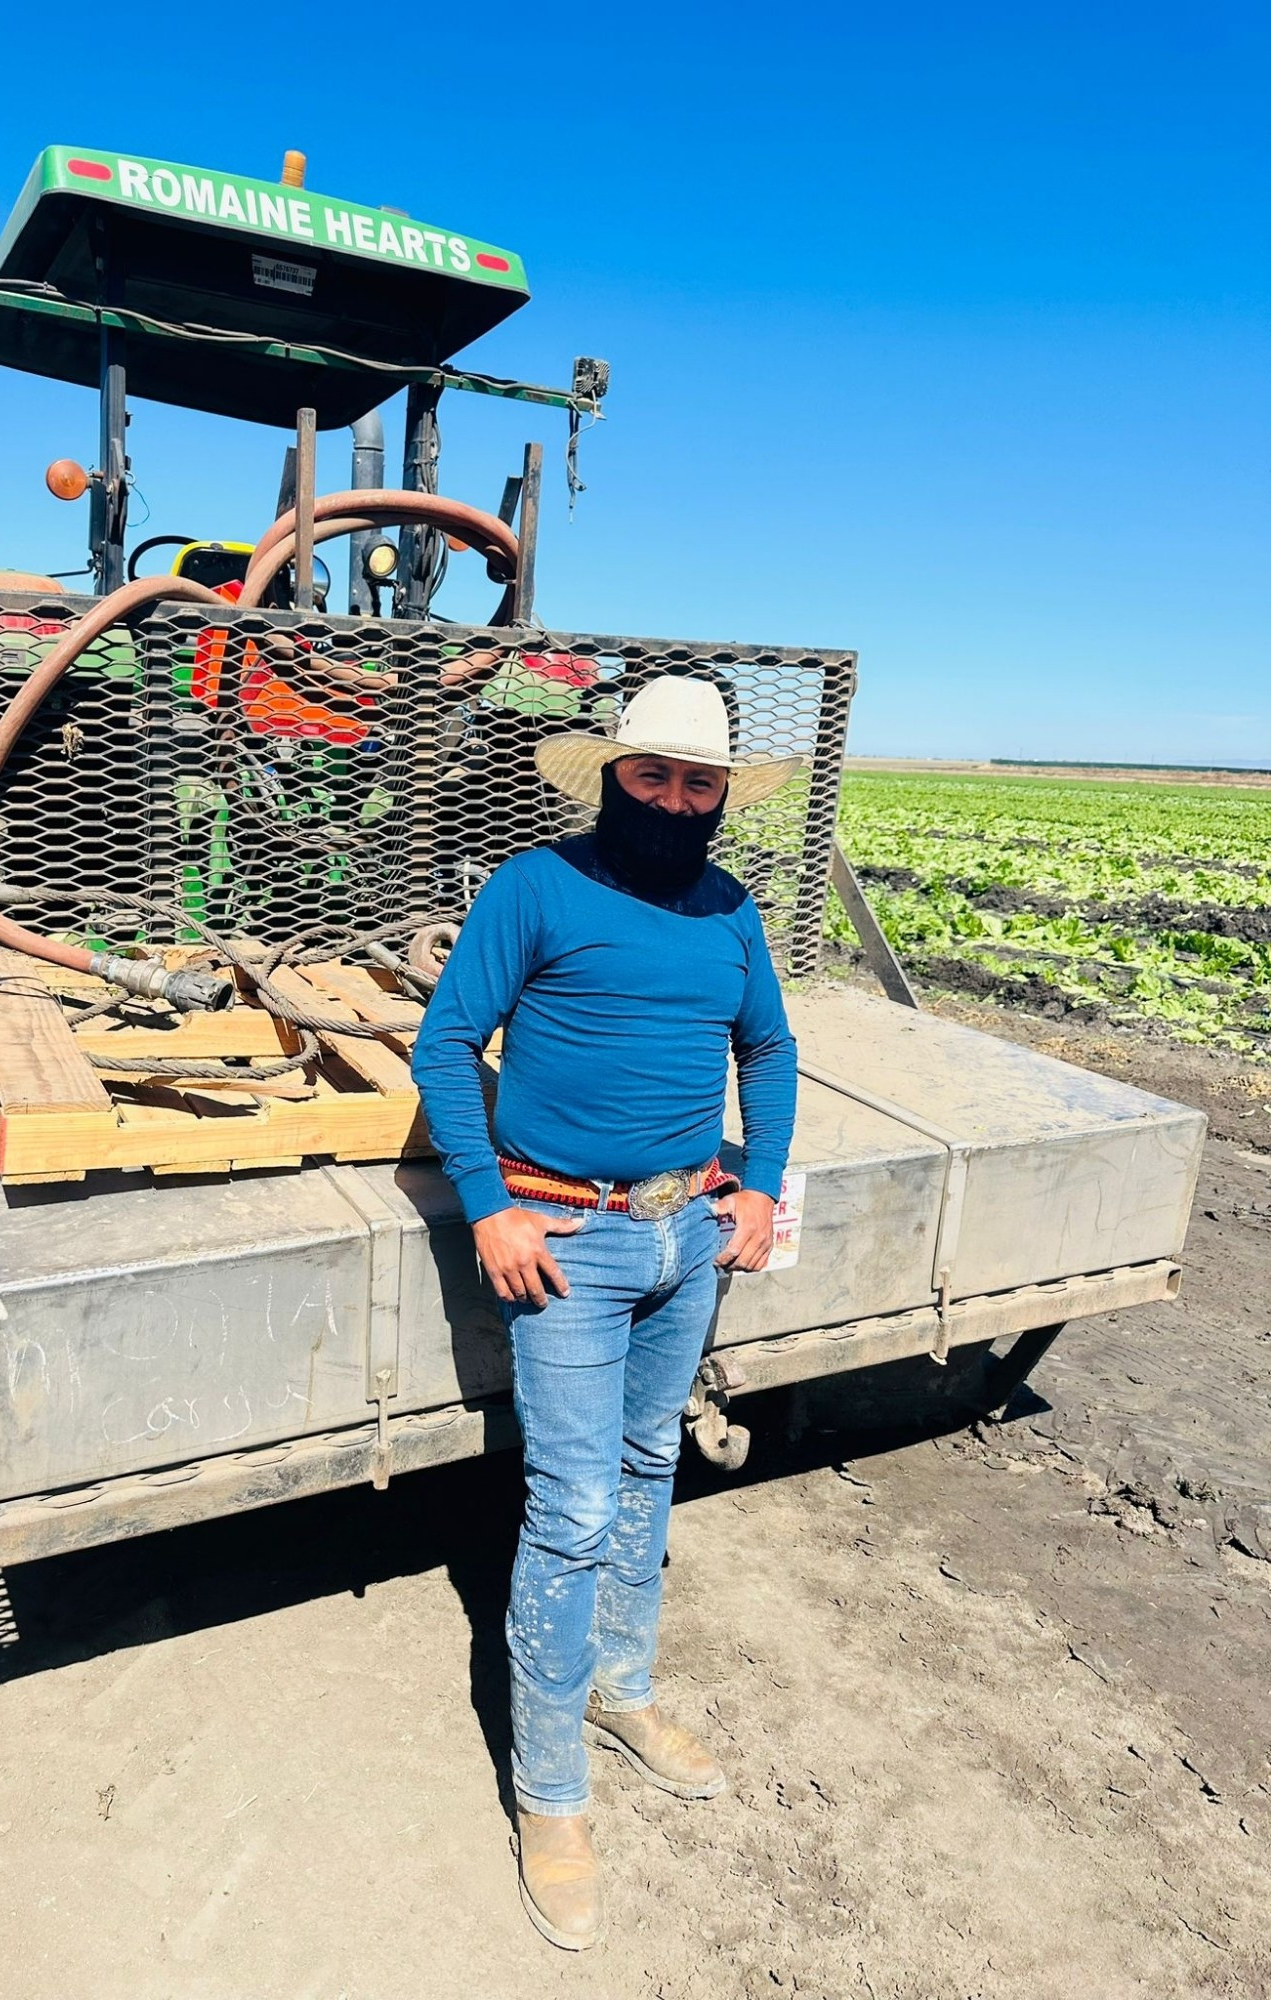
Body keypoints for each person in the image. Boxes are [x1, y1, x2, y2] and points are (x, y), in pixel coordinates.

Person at [410, 674, 801, 1951]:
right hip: (563, 1238)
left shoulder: (731, 909)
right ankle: (551, 1792)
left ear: (722, 795)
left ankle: (619, 1689)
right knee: (572, 1506)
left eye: (699, 784)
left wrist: (757, 1188)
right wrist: (488, 1206)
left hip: (688, 1231)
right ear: (609, 776)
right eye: (652, 777)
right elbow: (446, 1042)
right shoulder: (536, 887)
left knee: (647, 1466)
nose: (675, 801)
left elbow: (770, 1052)